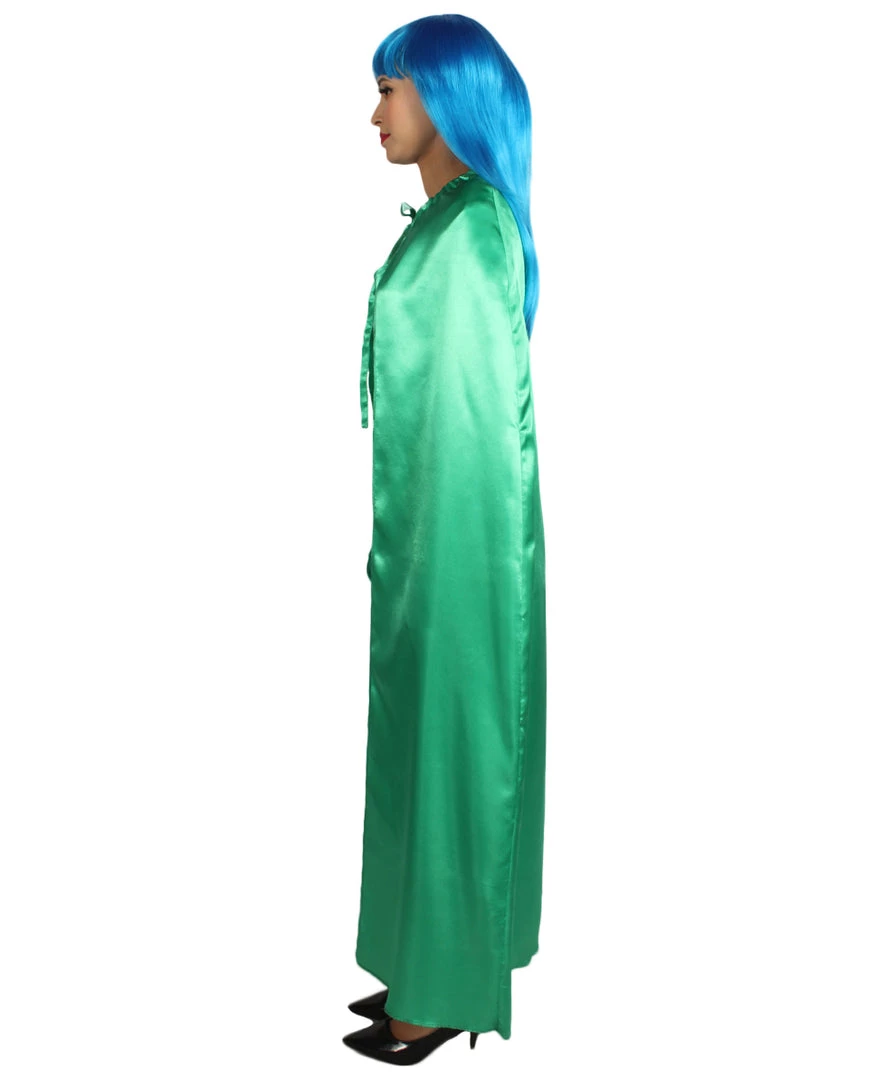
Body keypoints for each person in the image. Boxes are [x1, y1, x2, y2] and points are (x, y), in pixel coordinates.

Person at [342, 14, 547, 1066]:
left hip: (460, 542)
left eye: (392, 88)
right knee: (414, 746)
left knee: (455, 745)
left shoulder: (468, 230)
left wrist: (440, 557)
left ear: (446, 95)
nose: (375, 112)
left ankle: (448, 986)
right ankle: (425, 961)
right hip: (428, 542)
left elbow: (474, 421)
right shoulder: (450, 223)